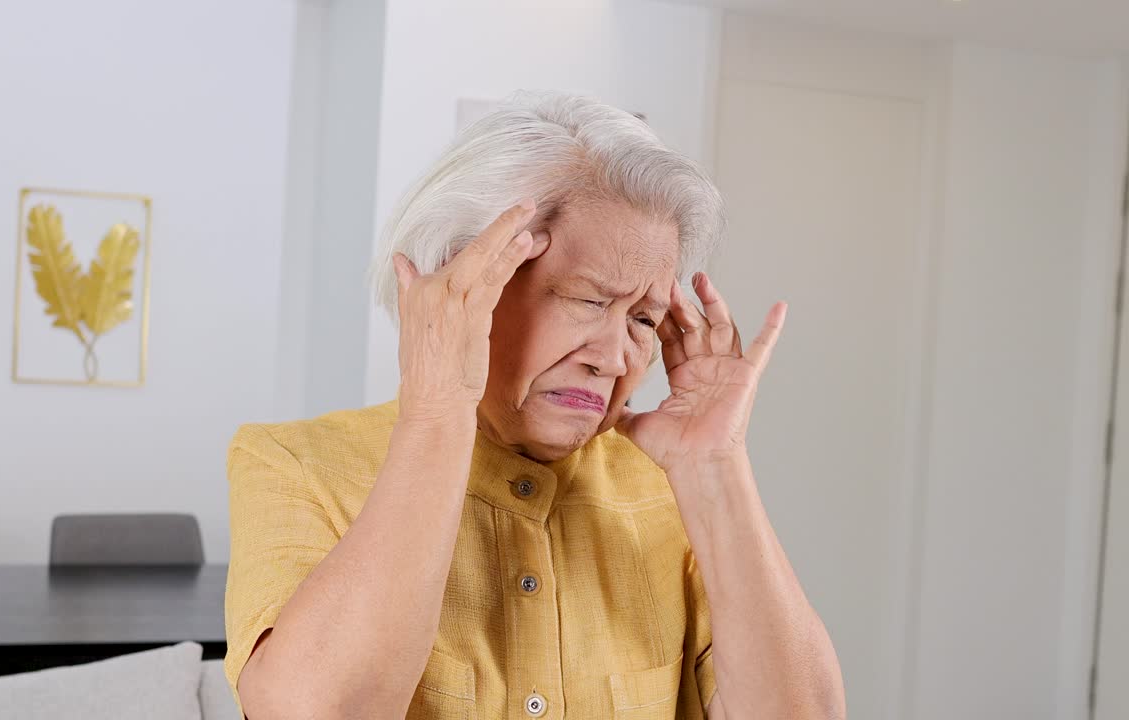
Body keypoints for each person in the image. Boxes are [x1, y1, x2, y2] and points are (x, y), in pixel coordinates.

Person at [224, 91, 846, 719]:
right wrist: (438, 409)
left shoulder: (672, 489)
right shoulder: (294, 464)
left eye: (644, 318)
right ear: (459, 284)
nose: (613, 357)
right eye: (586, 301)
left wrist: (716, 470)